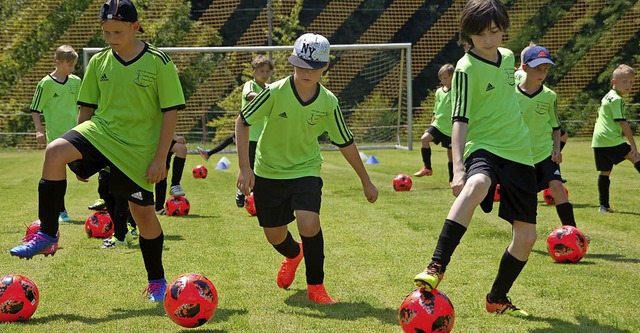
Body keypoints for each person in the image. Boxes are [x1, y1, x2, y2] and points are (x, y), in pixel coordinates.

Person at [10, 0, 185, 302]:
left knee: (142, 215)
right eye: (106, 33)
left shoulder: (159, 62)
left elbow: (170, 112)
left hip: (138, 149)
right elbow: (87, 107)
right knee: (54, 152)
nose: (112, 38)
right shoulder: (99, 62)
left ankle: (157, 281)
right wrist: (78, 151)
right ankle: (48, 235)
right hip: (101, 132)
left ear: (135, 26)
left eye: (117, 31)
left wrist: (160, 158)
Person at [413, 0, 537, 317]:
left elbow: (508, 92)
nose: (489, 39)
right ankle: (436, 266)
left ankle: (497, 297)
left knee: (526, 237)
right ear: (469, 34)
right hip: (485, 146)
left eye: (495, 31)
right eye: (481, 33)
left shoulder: (509, 58)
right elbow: (460, 119)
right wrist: (458, 169)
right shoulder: (466, 69)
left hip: (520, 153)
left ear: (503, 31)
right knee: (476, 184)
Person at [236, 33, 378, 305]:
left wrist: (366, 180)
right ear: (292, 63)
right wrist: (245, 168)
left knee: (308, 222)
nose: (306, 72)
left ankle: (316, 286)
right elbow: (242, 122)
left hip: (306, 171)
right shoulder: (274, 92)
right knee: (274, 234)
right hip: (269, 172)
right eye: (300, 65)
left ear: (324, 67)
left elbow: (345, 142)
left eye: (313, 68)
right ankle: (293, 254)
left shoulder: (328, 103)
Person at [199, 55, 274, 207]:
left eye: (267, 71)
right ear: (254, 71)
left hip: (263, 136)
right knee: (248, 166)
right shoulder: (250, 85)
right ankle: (241, 192)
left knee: (263, 167)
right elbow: (250, 95)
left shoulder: (269, 89)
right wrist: (266, 97)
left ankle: (257, 195)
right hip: (249, 135)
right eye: (261, 71)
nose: (265, 74)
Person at [517, 46, 577, 227]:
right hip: (521, 156)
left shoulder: (550, 96)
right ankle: (522, 236)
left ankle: (572, 232)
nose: (542, 74)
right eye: (537, 69)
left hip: (544, 152)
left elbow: (556, 127)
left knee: (557, 187)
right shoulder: (511, 94)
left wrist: (557, 149)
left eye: (545, 69)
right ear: (525, 68)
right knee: (525, 198)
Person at [30, 45, 82, 223]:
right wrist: (39, 130)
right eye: (69, 65)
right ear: (58, 62)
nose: (72, 69)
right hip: (56, 140)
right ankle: (61, 211)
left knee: (87, 170)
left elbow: (83, 106)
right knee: (58, 177)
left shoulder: (76, 81)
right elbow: (35, 109)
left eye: (74, 66)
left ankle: (105, 205)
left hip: (76, 136)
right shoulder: (45, 84)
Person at [591, 64, 638, 213]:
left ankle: (603, 206)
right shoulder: (617, 99)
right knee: (637, 159)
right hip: (611, 139)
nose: (628, 85)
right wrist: (633, 146)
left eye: (631, 82)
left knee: (605, 172)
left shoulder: (608, 96)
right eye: (625, 81)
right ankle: (603, 205)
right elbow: (623, 123)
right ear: (614, 82)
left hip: (599, 141)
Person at [414, 63, 455, 184]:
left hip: (451, 128)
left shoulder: (458, 91)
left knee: (451, 154)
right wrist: (432, 123)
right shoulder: (438, 92)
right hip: (438, 125)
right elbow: (436, 109)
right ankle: (427, 168)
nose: (443, 81)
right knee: (424, 139)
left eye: (445, 78)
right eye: (441, 78)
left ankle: (452, 179)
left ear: (453, 76)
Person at [155, 134, 187, 215]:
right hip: (152, 138)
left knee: (163, 173)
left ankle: (158, 207)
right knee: (181, 149)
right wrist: (174, 137)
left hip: (162, 138)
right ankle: (175, 184)